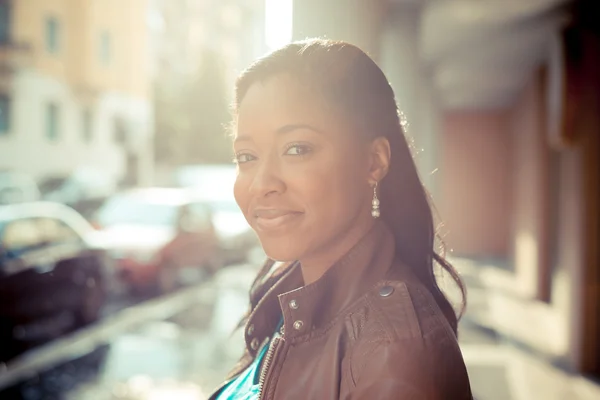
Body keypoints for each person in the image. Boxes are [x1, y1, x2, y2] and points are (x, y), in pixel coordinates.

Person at [210, 39, 473, 400]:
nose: (262, 184)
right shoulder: (291, 296)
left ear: (373, 162)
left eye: (297, 149)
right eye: (246, 156)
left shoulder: (394, 352)